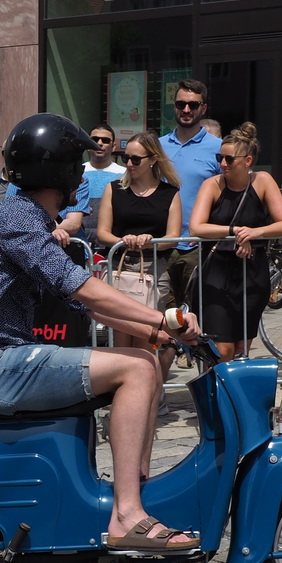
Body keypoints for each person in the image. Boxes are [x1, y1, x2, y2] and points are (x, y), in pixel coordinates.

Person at [0, 113, 204, 553]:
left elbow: (86, 305)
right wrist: (161, 319)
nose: (82, 174)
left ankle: (134, 487)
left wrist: (157, 331)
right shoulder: (18, 218)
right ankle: (127, 515)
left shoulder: (24, 217)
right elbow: (84, 289)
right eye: (76, 165)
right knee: (138, 369)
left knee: (145, 360)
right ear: (59, 171)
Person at [186, 123, 282, 358]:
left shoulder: (263, 181)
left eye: (229, 159)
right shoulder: (212, 185)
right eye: (220, 158)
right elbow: (196, 227)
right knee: (221, 348)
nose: (223, 164)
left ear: (248, 161)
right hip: (216, 272)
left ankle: (233, 383)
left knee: (242, 347)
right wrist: (236, 231)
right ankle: (217, 382)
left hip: (252, 272)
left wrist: (255, 233)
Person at [97, 130, 181, 383]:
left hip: (153, 270)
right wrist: (124, 240)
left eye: (136, 159)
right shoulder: (114, 189)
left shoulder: (170, 193)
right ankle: (119, 394)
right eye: (125, 158)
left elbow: (173, 237)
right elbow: (102, 232)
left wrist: (150, 240)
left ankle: (148, 393)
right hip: (119, 269)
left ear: (153, 159)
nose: (129, 164)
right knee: (120, 340)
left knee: (147, 338)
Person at [159, 79, 222, 310]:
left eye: (193, 105)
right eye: (181, 104)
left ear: (203, 109)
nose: (186, 110)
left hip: (198, 246)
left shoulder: (219, 148)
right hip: (161, 244)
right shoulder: (157, 146)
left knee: (199, 313)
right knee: (163, 316)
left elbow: (230, 194)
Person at [81, 123, 126, 241]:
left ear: (113, 146)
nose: (99, 143)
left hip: (112, 241)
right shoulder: (78, 172)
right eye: (95, 139)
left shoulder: (124, 174)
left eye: (105, 140)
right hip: (81, 241)